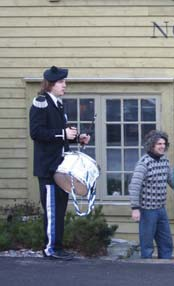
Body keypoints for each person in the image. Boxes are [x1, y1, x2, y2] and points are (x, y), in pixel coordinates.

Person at [30, 66, 90, 260]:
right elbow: (36, 133)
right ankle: (50, 249)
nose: (65, 85)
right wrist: (62, 133)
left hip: (60, 168)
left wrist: (77, 137)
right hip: (48, 168)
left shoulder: (58, 104)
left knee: (59, 210)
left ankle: (58, 247)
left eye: (65, 82)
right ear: (51, 84)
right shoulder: (41, 103)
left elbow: (60, 135)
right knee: (51, 211)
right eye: (61, 82)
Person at [129, 130, 174, 259]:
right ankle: (147, 272)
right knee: (147, 245)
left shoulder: (164, 161)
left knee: (166, 243)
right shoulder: (144, 163)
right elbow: (134, 186)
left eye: (164, 143)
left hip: (161, 209)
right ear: (151, 145)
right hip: (147, 210)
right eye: (159, 143)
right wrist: (135, 208)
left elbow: (173, 182)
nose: (162, 146)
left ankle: (166, 269)